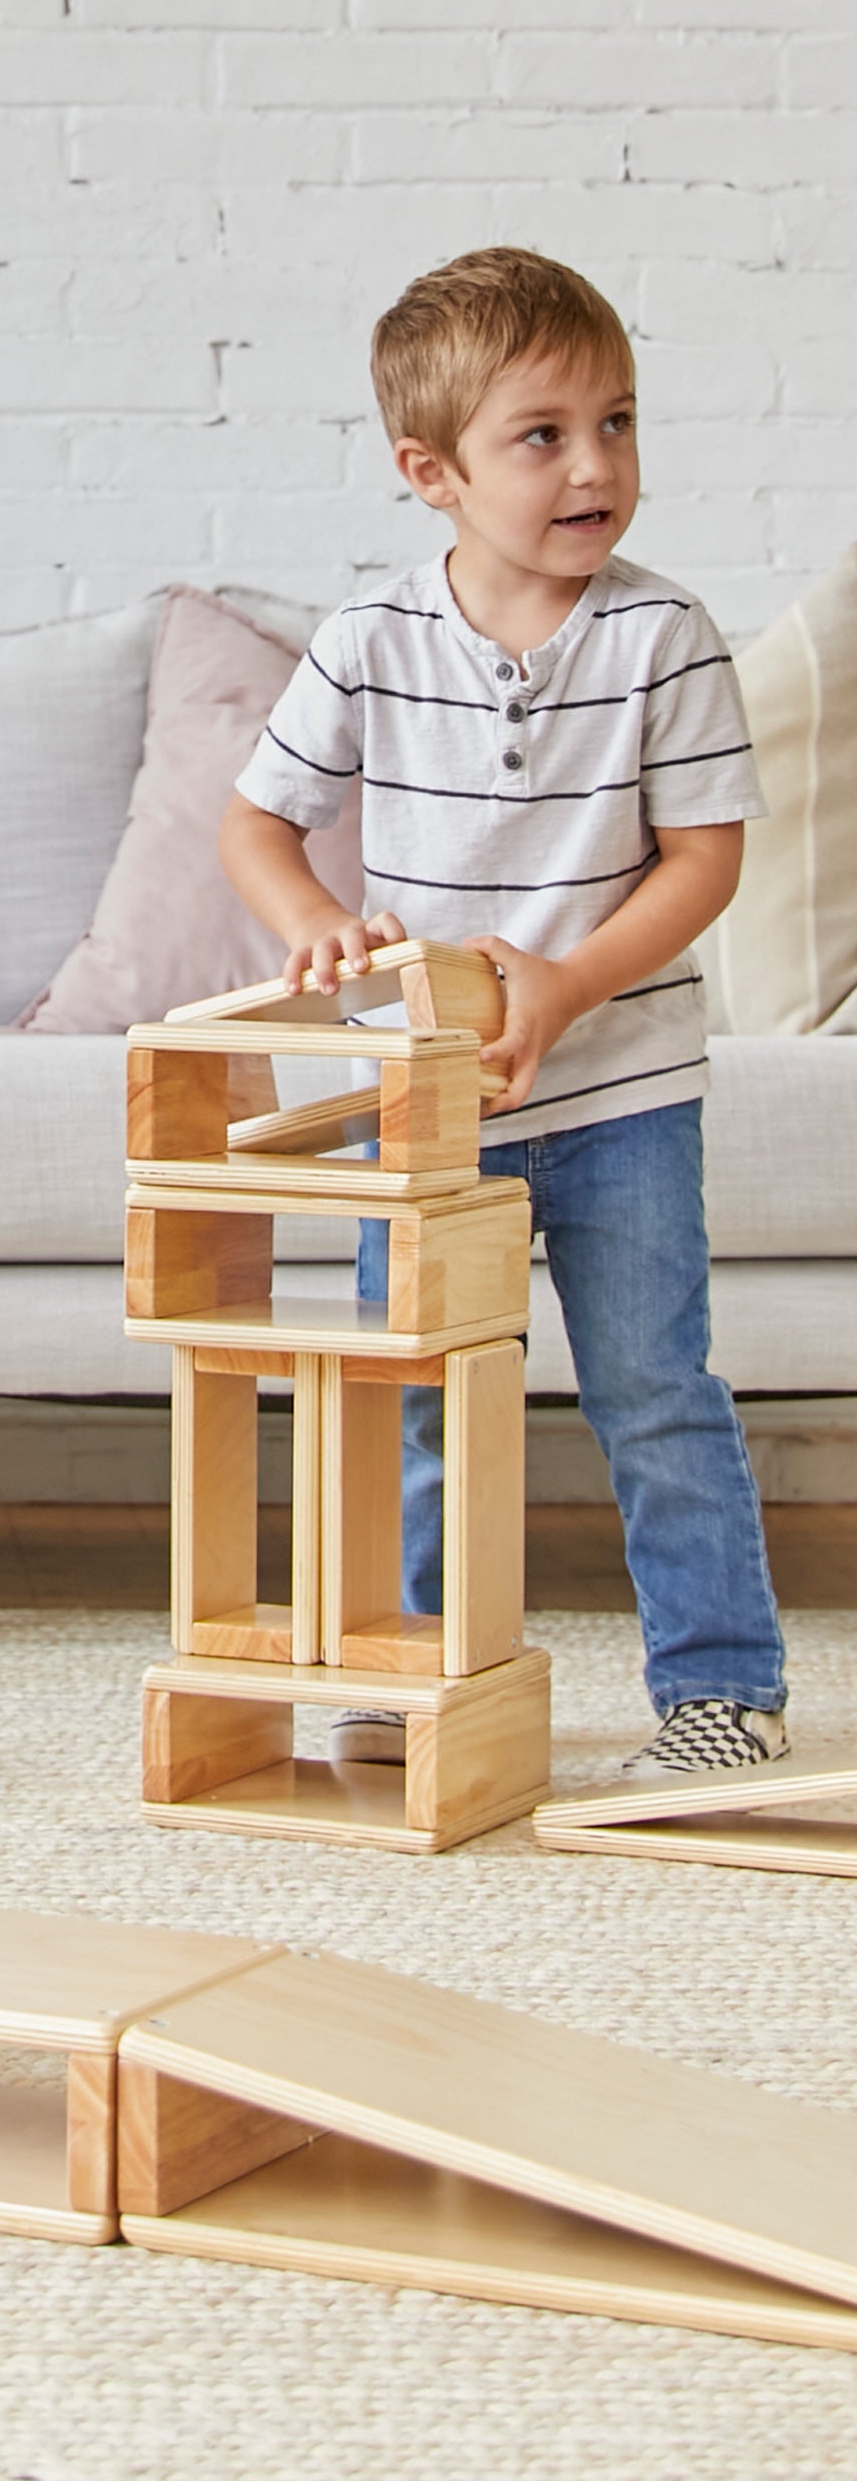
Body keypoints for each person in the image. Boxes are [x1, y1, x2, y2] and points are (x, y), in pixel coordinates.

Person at [218, 244, 785, 1781]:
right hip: (437, 1101)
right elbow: (257, 828)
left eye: (618, 421)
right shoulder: (369, 642)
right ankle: (425, 1670)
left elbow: (706, 858)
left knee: (657, 1395)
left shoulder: (666, 636)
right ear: (435, 472)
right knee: (427, 1403)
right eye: (543, 435)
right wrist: (323, 925)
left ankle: (721, 1686)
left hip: (625, 1096)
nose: (595, 465)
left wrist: (573, 981)